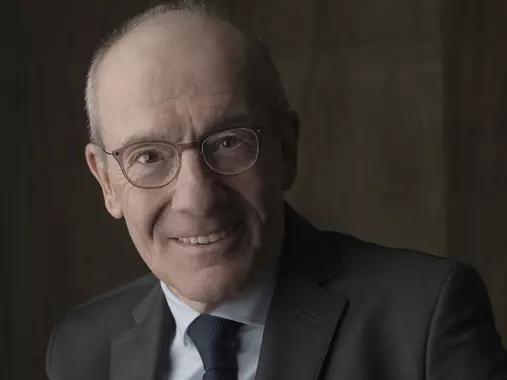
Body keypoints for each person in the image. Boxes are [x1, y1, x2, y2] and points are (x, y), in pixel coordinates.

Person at [45, 2, 507, 380]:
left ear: (286, 150)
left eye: (228, 143)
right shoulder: (81, 348)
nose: (196, 198)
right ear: (106, 180)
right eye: (148, 156)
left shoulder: (424, 320)